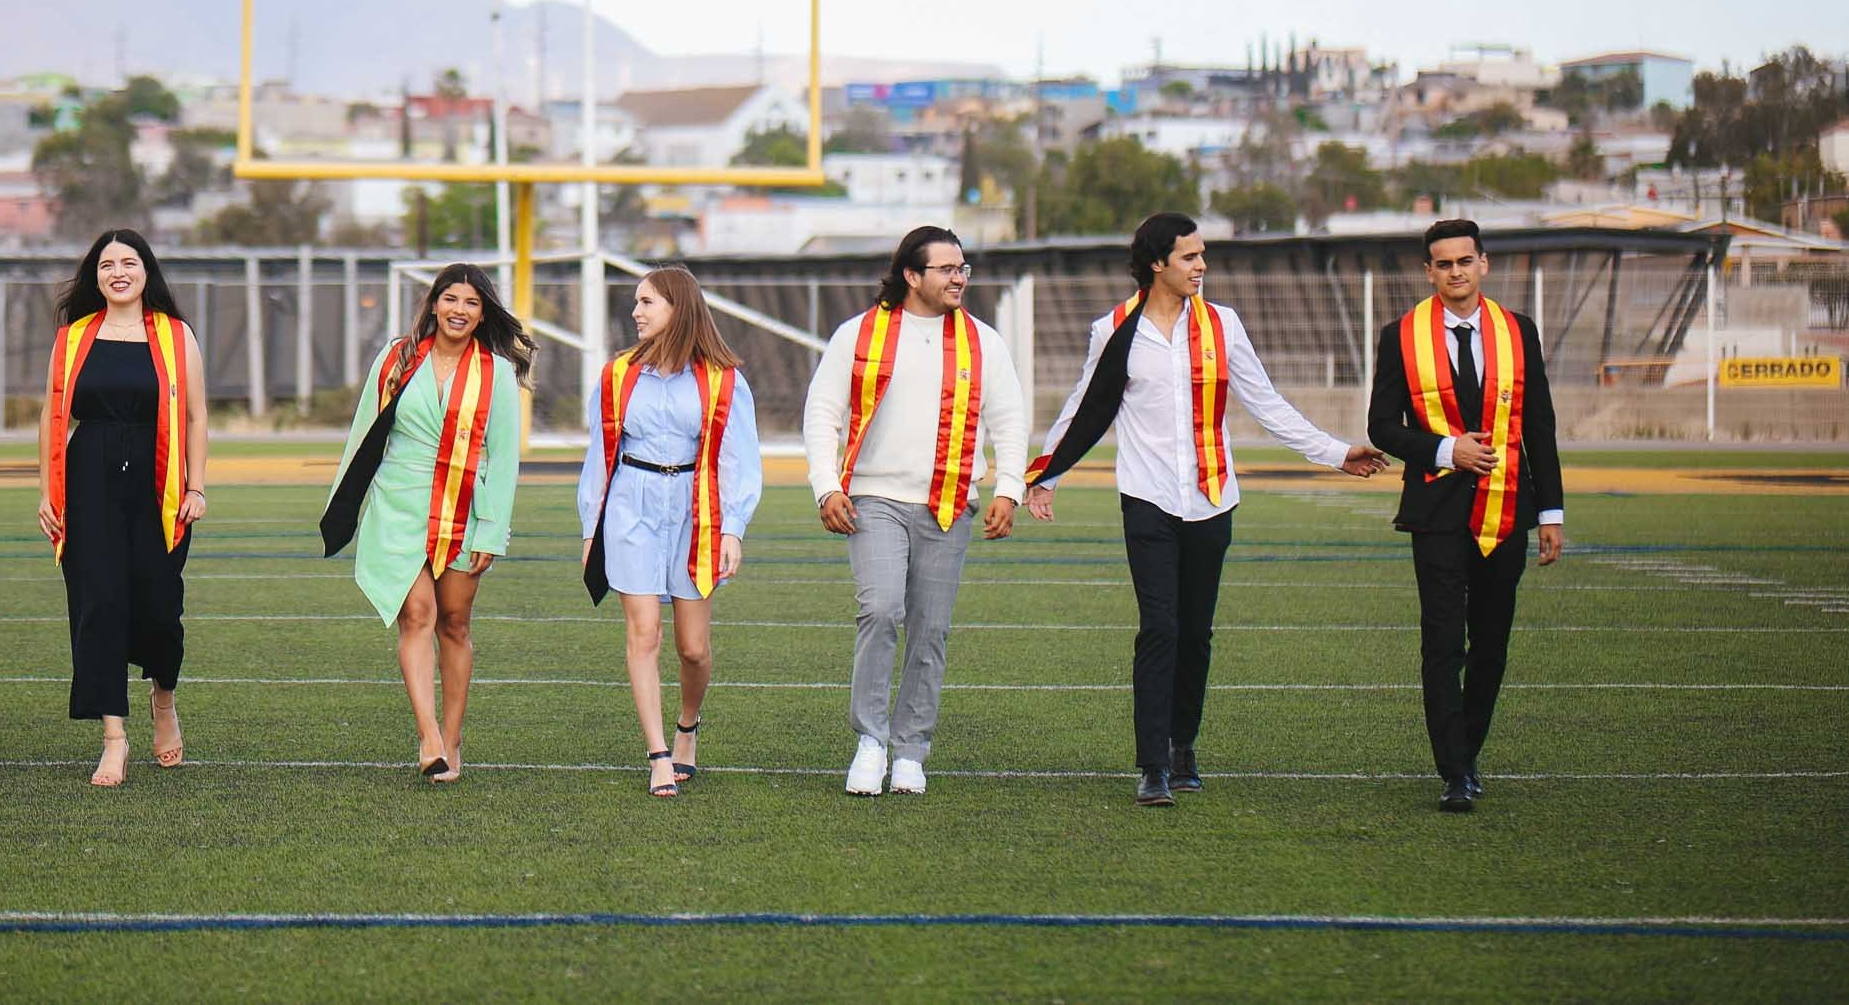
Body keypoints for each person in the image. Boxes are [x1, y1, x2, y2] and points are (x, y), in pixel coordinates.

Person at [1026, 212, 1387, 806]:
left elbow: (1266, 404)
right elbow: (1083, 407)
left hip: (1212, 497)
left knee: (1196, 633)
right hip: (1146, 498)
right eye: (1190, 257)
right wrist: (1047, 474)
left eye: (1202, 255)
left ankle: (1182, 744)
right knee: (1159, 628)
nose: (1202, 266)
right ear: (1157, 263)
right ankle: (1152, 765)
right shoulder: (1113, 328)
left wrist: (1335, 453)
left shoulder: (1224, 324)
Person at [803, 226, 1029, 798]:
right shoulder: (858, 334)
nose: (959, 278)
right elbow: (822, 413)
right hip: (875, 496)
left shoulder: (984, 342)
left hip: (949, 502)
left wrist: (1009, 488)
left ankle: (911, 750)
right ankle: (870, 742)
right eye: (947, 269)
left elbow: (1009, 420)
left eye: (963, 269)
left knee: (931, 630)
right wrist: (826, 487)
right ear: (911, 275)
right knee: (880, 611)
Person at [1368, 217, 1566, 814]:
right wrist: (1443, 449)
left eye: (1464, 261)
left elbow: (1539, 425)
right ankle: (1454, 771)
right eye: (1442, 264)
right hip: (1435, 511)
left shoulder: (1519, 331)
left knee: (1492, 647)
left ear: (1483, 263)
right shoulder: (1399, 335)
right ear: (1429, 271)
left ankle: (1467, 750)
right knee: (1442, 643)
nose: (1455, 272)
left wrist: (1551, 511)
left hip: (1507, 508)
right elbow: (1381, 427)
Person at [320, 262, 530, 783]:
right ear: (434, 303)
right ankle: (429, 738)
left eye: (472, 302)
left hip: (465, 508)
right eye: (451, 299)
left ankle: (453, 741)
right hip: (400, 503)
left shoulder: (497, 374)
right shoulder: (397, 359)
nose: (459, 310)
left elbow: (503, 459)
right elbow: (364, 433)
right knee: (417, 614)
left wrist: (492, 530)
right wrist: (344, 506)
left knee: (454, 624)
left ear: (483, 315)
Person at [577, 265, 764, 798]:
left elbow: (740, 458)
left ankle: (687, 728)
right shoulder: (616, 375)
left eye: (647, 302)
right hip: (630, 506)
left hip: (694, 509)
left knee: (693, 648)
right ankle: (658, 753)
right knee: (643, 634)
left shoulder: (724, 379)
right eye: (636, 302)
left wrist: (733, 528)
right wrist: (592, 527)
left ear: (678, 308)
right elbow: (599, 455)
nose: (635, 312)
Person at [35, 229, 209, 787]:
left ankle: (164, 699)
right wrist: (46, 491)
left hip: (161, 486)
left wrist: (197, 486)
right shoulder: (73, 338)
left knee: (160, 609)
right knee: (99, 604)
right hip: (88, 482)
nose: (117, 272)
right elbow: (51, 415)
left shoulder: (177, 337)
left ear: (146, 272)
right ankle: (114, 737)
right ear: (95, 276)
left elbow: (197, 418)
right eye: (106, 264)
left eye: (128, 262)